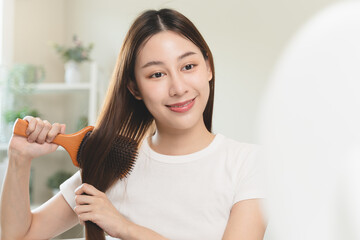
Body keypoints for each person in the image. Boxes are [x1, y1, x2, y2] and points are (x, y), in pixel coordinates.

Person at [1, 9, 266, 240]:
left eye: (188, 66)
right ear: (134, 88)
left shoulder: (249, 164)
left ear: (208, 67)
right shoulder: (114, 162)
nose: (178, 87)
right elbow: (18, 236)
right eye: (157, 74)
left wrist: (125, 228)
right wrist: (19, 158)